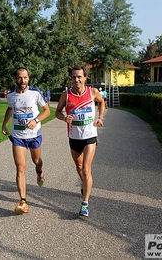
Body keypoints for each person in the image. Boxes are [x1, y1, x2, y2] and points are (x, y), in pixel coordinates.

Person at [55, 66, 105, 217]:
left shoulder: (92, 92)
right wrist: (64, 118)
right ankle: (85, 185)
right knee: (79, 166)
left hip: (89, 135)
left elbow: (102, 102)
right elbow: (57, 112)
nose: (76, 80)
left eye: (79, 77)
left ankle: (85, 204)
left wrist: (100, 117)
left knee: (86, 169)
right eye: (73, 77)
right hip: (74, 136)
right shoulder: (66, 95)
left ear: (85, 78)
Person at [1, 67, 50, 214]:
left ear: (29, 78)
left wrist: (35, 120)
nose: (23, 81)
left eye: (25, 78)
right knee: (20, 168)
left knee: (36, 161)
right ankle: (23, 201)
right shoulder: (11, 95)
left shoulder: (35, 93)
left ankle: (39, 171)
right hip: (18, 137)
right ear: (15, 78)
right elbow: (10, 109)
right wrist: (4, 124)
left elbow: (47, 111)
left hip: (34, 135)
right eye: (20, 78)